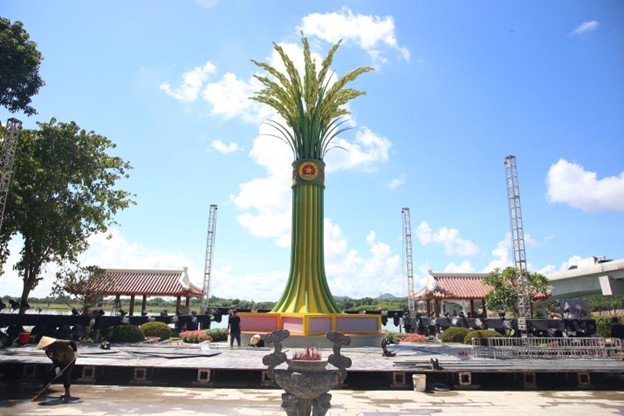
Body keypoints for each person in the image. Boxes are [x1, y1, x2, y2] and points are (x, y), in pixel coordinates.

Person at [36, 336, 77, 402]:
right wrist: (57, 368)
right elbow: (55, 360)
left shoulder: (59, 343)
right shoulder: (48, 352)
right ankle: (44, 389)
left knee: (66, 374)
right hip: (60, 360)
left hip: (69, 358)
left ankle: (67, 392)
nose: (46, 348)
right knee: (50, 374)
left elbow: (72, 342)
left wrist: (75, 351)